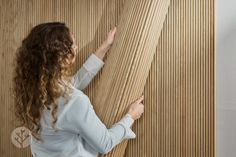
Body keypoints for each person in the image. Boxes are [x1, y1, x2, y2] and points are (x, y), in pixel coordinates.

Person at [12, 22, 144, 157]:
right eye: (72, 44)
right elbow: (105, 143)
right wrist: (131, 116)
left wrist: (105, 47)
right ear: (63, 57)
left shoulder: (33, 93)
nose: (76, 46)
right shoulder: (75, 102)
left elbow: (73, 84)